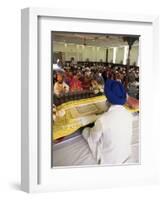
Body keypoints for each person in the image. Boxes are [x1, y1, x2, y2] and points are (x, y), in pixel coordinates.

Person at [82, 80, 132, 165]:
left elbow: (93, 139)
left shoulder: (103, 119)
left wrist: (89, 129)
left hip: (109, 160)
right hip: (126, 153)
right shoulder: (129, 114)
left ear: (108, 99)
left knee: (85, 131)